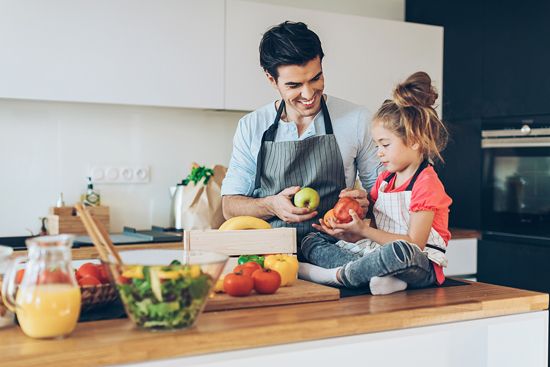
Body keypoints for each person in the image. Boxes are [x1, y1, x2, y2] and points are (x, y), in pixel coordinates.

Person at [221, 21, 382, 251]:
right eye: (294, 85)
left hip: (337, 252)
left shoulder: (357, 119)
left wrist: (364, 204)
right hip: (269, 257)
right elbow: (230, 206)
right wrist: (271, 205)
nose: (308, 94)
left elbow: (385, 194)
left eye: (315, 79)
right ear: (270, 79)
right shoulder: (252, 126)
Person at [299, 71, 452, 295]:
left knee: (399, 253)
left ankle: (340, 275)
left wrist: (364, 231)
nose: (378, 153)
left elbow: (414, 244)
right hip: (377, 253)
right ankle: (380, 277)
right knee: (311, 239)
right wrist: (347, 231)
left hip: (418, 263)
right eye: (376, 145)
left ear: (415, 141)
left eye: (385, 144)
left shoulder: (426, 183)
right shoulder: (384, 180)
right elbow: (373, 228)